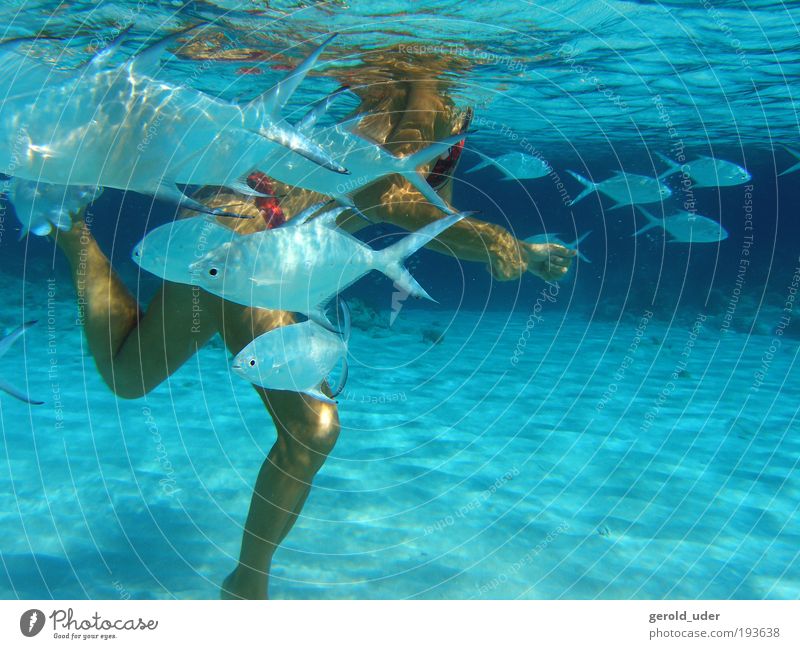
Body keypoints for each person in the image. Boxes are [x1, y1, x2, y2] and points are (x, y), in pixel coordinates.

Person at [49, 76, 575, 599]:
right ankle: (247, 586)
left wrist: (505, 251)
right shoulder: (424, 87)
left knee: (129, 373)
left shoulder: (453, 118)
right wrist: (509, 248)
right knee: (312, 427)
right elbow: (400, 203)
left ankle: (65, 220)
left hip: (247, 224)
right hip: (253, 235)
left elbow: (432, 213)